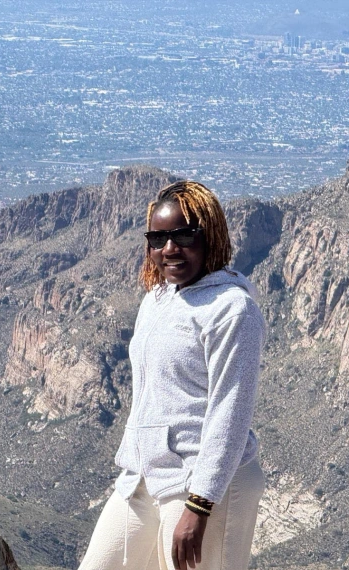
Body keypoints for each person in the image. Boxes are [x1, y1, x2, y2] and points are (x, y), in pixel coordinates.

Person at [78, 180, 266, 570]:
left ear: (211, 236)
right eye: (158, 237)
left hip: (204, 485)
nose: (170, 249)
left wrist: (200, 505)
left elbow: (230, 413)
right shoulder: (157, 299)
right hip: (142, 477)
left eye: (184, 235)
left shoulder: (233, 310)